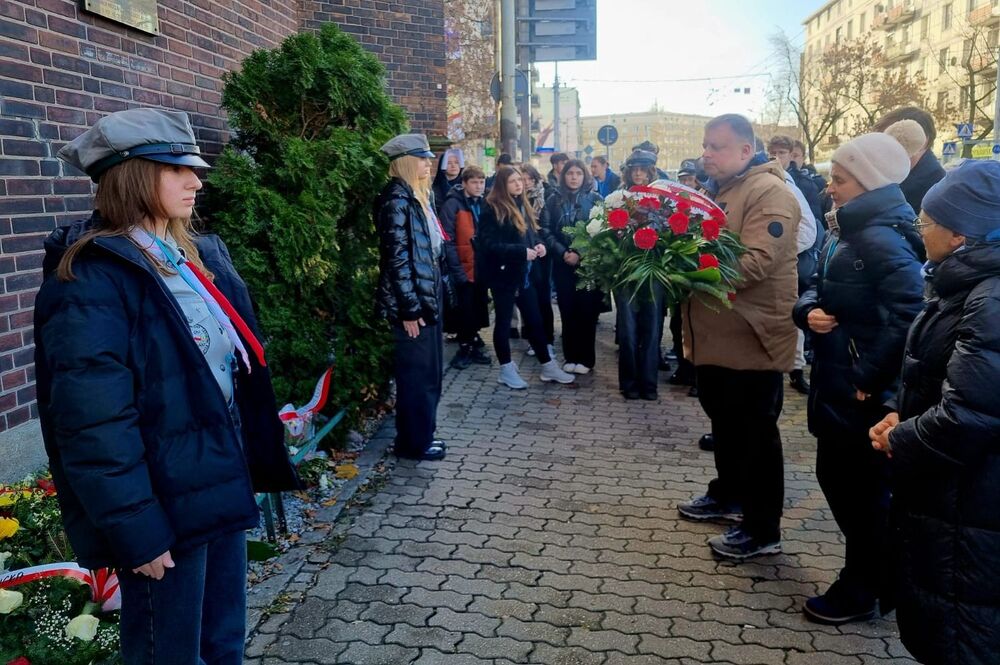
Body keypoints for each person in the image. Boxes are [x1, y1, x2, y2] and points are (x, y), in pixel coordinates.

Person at [34, 108, 300, 664]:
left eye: (194, 169)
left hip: (214, 483)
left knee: (222, 642)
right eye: (176, 169)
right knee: (169, 653)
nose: (196, 181)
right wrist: (137, 528)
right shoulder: (91, 279)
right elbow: (92, 423)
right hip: (163, 506)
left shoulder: (190, 258)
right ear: (132, 176)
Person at [870, 161, 1000, 664]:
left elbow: (971, 416)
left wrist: (900, 439)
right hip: (960, 499)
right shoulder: (967, 285)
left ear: (960, 233)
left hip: (974, 504)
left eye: (926, 221)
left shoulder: (989, 300)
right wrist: (899, 413)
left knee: (965, 633)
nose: (919, 229)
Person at [793, 133, 925, 625]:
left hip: (860, 390)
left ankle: (863, 586)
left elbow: (910, 314)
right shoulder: (846, 228)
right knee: (839, 481)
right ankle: (873, 576)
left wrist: (868, 374)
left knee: (861, 493)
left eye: (840, 179)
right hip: (839, 379)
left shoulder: (880, 237)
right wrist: (807, 311)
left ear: (868, 183)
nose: (830, 187)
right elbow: (814, 284)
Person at [677, 114, 800, 560]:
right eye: (706, 145)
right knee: (725, 424)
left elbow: (755, 262)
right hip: (719, 334)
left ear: (746, 151)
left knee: (755, 435)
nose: (707, 153)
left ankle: (762, 529)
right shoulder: (722, 189)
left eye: (717, 146)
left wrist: (684, 271)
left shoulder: (769, 192)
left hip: (752, 337)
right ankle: (728, 494)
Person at [375, 133, 448, 462]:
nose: (429, 164)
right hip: (413, 304)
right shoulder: (396, 200)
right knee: (416, 377)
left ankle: (423, 435)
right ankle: (413, 444)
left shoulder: (417, 196)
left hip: (426, 297)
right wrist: (409, 309)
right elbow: (397, 260)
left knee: (429, 373)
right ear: (406, 162)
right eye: (422, 159)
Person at [477, 165, 575, 389]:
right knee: (503, 322)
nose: (518, 184)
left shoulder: (522, 203)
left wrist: (539, 245)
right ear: (503, 184)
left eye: (519, 180)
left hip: (525, 275)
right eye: (513, 181)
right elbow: (489, 244)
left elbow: (531, 233)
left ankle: (548, 365)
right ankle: (506, 369)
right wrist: (521, 252)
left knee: (535, 320)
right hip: (503, 275)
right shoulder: (492, 207)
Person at [540, 158, 604, 374]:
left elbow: (601, 232)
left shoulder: (595, 199)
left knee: (587, 311)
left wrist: (580, 253)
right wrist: (563, 252)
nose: (574, 177)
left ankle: (586, 359)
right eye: (570, 173)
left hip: (588, 265)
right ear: (563, 176)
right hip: (562, 263)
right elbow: (545, 230)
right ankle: (571, 356)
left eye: (578, 173)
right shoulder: (553, 200)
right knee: (567, 310)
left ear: (584, 176)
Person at [440, 165, 491, 370]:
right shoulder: (452, 204)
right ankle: (465, 347)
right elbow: (447, 240)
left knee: (478, 307)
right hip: (462, 265)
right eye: (474, 182)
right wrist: (457, 270)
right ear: (464, 183)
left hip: (481, 266)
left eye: (482, 182)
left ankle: (473, 342)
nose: (479, 186)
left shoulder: (485, 202)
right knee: (464, 310)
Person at [872, 106, 945, 214]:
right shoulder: (894, 177)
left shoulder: (937, 188)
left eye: (892, 138)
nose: (882, 147)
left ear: (922, 140)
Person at [518, 163, 555, 358]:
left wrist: (542, 244)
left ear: (535, 179)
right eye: (522, 179)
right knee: (527, 298)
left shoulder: (545, 196)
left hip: (542, 252)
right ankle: (533, 339)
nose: (526, 183)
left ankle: (547, 340)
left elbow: (546, 226)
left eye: (529, 179)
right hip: (523, 252)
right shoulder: (515, 198)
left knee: (543, 297)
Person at [432, 147, 464, 217]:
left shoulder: (465, 187)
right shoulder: (434, 190)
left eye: (456, 162)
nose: (453, 166)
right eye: (449, 163)